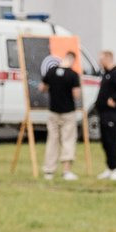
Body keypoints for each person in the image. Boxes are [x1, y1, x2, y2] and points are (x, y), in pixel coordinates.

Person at [40, 52, 82, 182]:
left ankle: (49, 171)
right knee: (68, 140)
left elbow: (42, 88)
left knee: (52, 140)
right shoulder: (73, 75)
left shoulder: (51, 71)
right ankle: (66, 171)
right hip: (68, 112)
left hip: (53, 111)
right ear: (73, 60)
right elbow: (76, 95)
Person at [95, 50, 116, 181]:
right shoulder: (106, 74)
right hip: (103, 113)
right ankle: (110, 167)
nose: (99, 62)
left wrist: (115, 98)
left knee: (113, 140)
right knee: (106, 141)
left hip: (114, 114)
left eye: (101, 59)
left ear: (107, 59)